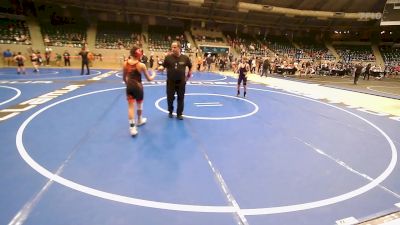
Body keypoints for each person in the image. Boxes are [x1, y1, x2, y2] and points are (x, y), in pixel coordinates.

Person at [123, 46, 156, 136]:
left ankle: (132, 128)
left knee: (130, 107)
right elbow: (149, 79)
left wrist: (128, 84)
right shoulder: (141, 65)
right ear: (138, 54)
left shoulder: (125, 63)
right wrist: (154, 74)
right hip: (138, 87)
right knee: (139, 104)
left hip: (129, 87)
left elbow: (124, 78)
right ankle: (140, 120)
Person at [162, 41, 192, 120]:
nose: (173, 49)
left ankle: (179, 114)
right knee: (170, 98)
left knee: (181, 98)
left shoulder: (185, 58)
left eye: (174, 47)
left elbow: (190, 66)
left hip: (181, 82)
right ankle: (170, 111)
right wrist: (160, 68)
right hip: (170, 82)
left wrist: (188, 76)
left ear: (179, 48)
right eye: (172, 47)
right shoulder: (168, 58)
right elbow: (163, 66)